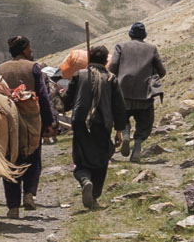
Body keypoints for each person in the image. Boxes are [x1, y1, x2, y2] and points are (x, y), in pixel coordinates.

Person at [0, 35, 54, 218]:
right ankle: (29, 194)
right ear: (23, 50)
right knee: (33, 156)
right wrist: (49, 121)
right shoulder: (33, 67)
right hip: (30, 120)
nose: (31, 51)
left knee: (9, 159)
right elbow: (43, 96)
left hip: (7, 120)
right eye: (29, 48)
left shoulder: (1, 69)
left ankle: (13, 207)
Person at [70, 44, 123, 208]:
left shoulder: (79, 75)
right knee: (101, 160)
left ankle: (85, 180)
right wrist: (119, 130)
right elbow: (118, 106)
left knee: (81, 160)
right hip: (102, 125)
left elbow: (66, 101)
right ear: (105, 61)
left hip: (80, 124)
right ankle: (93, 198)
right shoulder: (110, 78)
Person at [109, 21, 166, 162]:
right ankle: (138, 145)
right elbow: (162, 71)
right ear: (144, 35)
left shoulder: (120, 46)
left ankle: (126, 133)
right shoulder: (152, 49)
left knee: (122, 116)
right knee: (145, 121)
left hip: (123, 92)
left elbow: (113, 67)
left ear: (130, 34)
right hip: (144, 94)